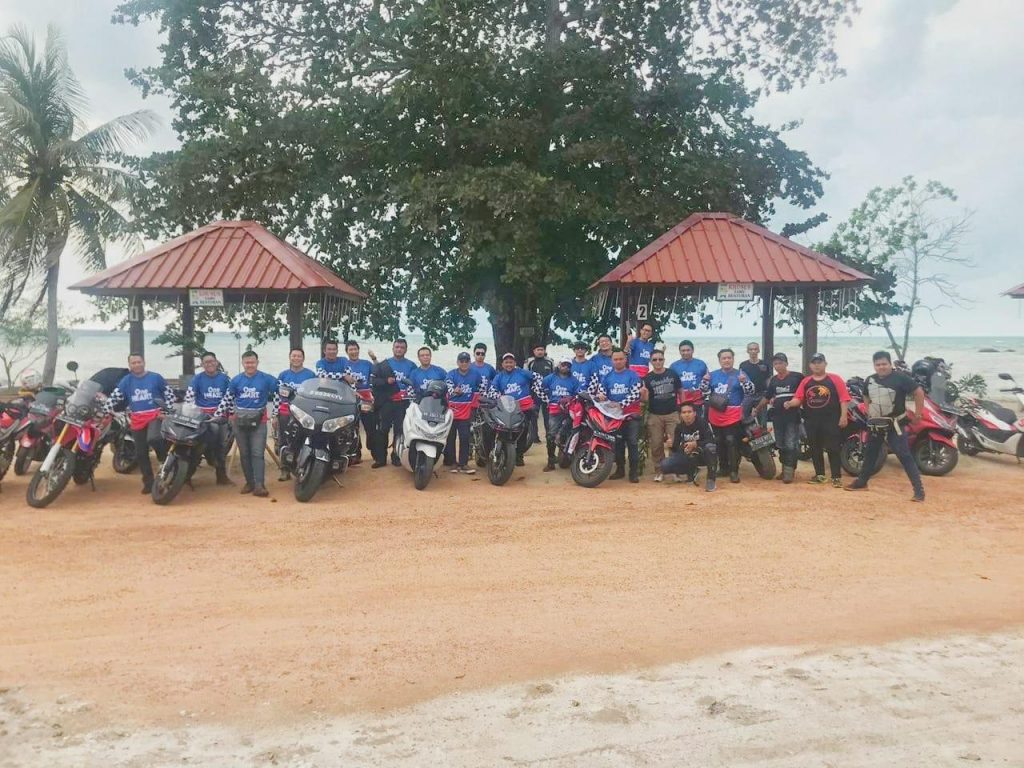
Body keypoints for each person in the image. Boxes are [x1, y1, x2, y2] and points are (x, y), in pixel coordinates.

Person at [845, 350, 926, 502]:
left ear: (890, 364)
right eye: (878, 364)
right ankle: (861, 483)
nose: (881, 367)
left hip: (895, 425)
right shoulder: (870, 380)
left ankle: (919, 491)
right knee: (870, 454)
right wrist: (869, 411)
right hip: (876, 425)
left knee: (904, 456)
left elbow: (918, 392)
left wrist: (918, 413)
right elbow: (866, 395)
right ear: (874, 365)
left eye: (884, 364)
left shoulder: (900, 378)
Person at [105, 354, 176, 494]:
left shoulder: (156, 377)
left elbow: (170, 395)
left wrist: (166, 411)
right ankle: (148, 483)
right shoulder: (126, 380)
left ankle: (163, 460)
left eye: (139, 362)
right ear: (129, 365)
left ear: (144, 362)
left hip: (155, 415)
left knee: (154, 438)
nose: (136, 365)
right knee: (140, 452)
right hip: (137, 419)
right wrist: (104, 410)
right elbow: (114, 397)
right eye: (133, 363)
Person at [213, 350, 279, 497]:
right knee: (244, 454)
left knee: (257, 453)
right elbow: (227, 399)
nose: (250, 365)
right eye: (247, 362)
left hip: (259, 422)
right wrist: (218, 414)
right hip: (239, 422)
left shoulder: (267, 379)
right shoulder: (236, 380)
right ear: (242, 363)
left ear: (257, 362)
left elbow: (279, 393)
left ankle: (260, 485)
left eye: (252, 362)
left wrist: (275, 414)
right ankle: (249, 483)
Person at [785, 352, 849, 487]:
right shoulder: (806, 381)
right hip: (811, 421)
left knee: (833, 448)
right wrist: (790, 403)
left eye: (819, 362)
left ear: (825, 364)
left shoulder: (835, 379)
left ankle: (836, 477)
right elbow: (798, 398)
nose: (817, 365)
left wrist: (843, 416)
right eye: (814, 363)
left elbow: (844, 399)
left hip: (831, 420)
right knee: (815, 448)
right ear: (810, 365)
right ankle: (820, 475)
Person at [700, 348, 754, 483]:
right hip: (716, 413)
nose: (727, 360)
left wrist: (744, 382)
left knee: (731, 441)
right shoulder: (712, 374)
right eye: (724, 358)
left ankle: (734, 470)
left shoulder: (740, 374)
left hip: (733, 414)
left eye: (729, 357)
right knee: (719, 441)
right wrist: (705, 381)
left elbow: (750, 391)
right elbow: (704, 392)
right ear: (719, 360)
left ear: (733, 359)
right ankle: (723, 467)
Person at [592, 349, 643, 482]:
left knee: (632, 443)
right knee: (617, 443)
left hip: (631, 415)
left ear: (625, 360)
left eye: (621, 359)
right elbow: (602, 393)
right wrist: (601, 397)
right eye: (615, 359)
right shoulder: (606, 377)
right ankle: (620, 470)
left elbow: (636, 394)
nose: (618, 361)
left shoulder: (633, 375)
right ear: (612, 361)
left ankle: (633, 472)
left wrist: (620, 404)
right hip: (614, 416)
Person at [487, 353, 547, 465]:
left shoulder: (523, 372)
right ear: (502, 364)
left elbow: (538, 378)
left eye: (511, 362)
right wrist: (498, 397)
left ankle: (519, 457)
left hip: (525, 407)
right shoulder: (499, 376)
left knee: (523, 432)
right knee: (506, 431)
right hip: (508, 408)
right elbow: (492, 391)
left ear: (514, 363)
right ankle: (506, 455)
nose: (509, 364)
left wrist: (537, 392)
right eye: (506, 362)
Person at [183, 351, 233, 485]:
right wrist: (191, 412)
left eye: (212, 361)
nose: (209, 364)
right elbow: (189, 398)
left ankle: (221, 477)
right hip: (202, 418)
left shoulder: (225, 379)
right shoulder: (197, 379)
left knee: (221, 446)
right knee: (197, 447)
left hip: (220, 417)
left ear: (216, 362)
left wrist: (228, 415)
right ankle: (186, 476)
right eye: (206, 362)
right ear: (202, 364)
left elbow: (230, 398)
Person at [761, 352, 805, 484]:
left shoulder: (797, 377)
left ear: (786, 363)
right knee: (780, 445)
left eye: (780, 363)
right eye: (775, 364)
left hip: (792, 417)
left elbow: (806, 390)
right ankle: (785, 469)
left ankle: (789, 472)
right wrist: (757, 408)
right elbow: (767, 397)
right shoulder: (773, 380)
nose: (778, 366)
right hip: (777, 418)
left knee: (790, 444)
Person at [273, 348, 316, 481]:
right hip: (285, 412)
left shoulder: (310, 375)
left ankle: (303, 466)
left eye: (299, 356)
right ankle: (285, 470)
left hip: (304, 413)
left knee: (305, 440)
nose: (296, 358)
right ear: (290, 358)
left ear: (303, 358)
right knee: (284, 440)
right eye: (294, 356)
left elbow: (315, 395)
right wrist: (274, 415)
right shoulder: (283, 375)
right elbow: (277, 397)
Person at [373, 339, 416, 467]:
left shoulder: (412, 365)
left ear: (406, 350)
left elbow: (415, 383)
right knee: (383, 430)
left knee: (400, 430)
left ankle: (396, 456)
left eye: (402, 347)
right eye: (397, 347)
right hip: (387, 401)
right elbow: (374, 382)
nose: (399, 349)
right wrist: (386, 381)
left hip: (403, 403)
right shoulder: (384, 364)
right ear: (393, 348)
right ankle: (381, 459)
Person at [642, 349, 682, 482]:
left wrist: (683, 408)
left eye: (660, 359)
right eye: (655, 360)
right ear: (651, 362)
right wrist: (643, 395)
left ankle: (675, 470)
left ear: (664, 360)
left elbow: (680, 391)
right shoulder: (647, 378)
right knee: (656, 444)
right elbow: (645, 400)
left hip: (672, 413)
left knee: (674, 442)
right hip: (655, 415)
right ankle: (659, 471)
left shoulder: (672, 374)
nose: (658, 362)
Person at [659, 402, 717, 491]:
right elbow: (675, 449)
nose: (687, 415)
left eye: (689, 412)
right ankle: (692, 471)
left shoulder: (703, 423)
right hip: (687, 455)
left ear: (694, 413)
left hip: (702, 454)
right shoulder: (679, 427)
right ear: (680, 415)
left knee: (710, 447)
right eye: (684, 412)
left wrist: (696, 444)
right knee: (665, 465)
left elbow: (712, 440)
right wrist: (670, 445)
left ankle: (711, 480)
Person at [445, 352, 485, 474]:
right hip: (452, 410)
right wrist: (454, 390)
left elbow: (482, 388)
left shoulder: (476, 374)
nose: (464, 363)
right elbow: (448, 387)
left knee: (465, 438)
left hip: (466, 411)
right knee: (450, 438)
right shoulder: (451, 374)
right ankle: (452, 462)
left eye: (466, 361)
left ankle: (464, 464)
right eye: (461, 361)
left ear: (469, 362)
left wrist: (478, 402)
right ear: (457, 362)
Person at [339, 341, 375, 467]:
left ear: (359, 350)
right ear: (347, 352)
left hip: (366, 397)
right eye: (351, 350)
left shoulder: (366, 364)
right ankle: (356, 453)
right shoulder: (344, 365)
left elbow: (377, 372)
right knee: (352, 427)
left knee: (370, 425)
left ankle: (374, 450)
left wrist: (374, 358)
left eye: (355, 349)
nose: (353, 352)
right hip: (350, 398)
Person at [541, 359, 580, 471]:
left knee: (572, 433)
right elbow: (541, 389)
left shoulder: (574, 380)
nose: (565, 367)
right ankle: (550, 461)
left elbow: (578, 394)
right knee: (551, 435)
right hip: (554, 410)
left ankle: (570, 456)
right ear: (559, 365)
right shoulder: (550, 378)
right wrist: (547, 400)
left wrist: (570, 399)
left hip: (570, 410)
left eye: (568, 365)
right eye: (563, 364)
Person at [526, 344, 554, 443]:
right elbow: (526, 376)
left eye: (542, 349)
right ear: (534, 351)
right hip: (534, 393)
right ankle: (534, 437)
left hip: (547, 393)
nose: (540, 352)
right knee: (534, 416)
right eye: (538, 350)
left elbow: (554, 376)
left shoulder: (550, 361)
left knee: (548, 416)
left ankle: (549, 436)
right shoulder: (529, 362)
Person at [670, 340, 708, 408]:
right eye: (683, 350)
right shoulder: (674, 366)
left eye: (688, 350)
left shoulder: (701, 364)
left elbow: (707, 381)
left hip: (697, 402)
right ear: (679, 351)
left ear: (693, 350)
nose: (686, 352)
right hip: (681, 402)